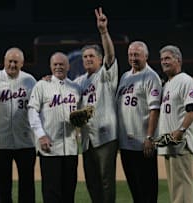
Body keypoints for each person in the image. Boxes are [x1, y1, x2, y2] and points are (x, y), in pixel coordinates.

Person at [74, 7, 118, 203]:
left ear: (100, 59)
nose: (88, 59)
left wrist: (103, 32)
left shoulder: (106, 75)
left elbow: (110, 55)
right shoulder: (79, 81)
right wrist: (51, 79)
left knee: (106, 180)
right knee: (92, 180)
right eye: (85, 57)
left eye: (92, 56)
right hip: (86, 139)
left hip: (106, 137)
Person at [28, 52, 82, 203]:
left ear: (68, 66)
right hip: (49, 148)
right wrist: (41, 135)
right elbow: (32, 111)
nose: (58, 67)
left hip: (71, 149)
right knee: (51, 193)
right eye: (55, 64)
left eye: (61, 64)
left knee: (69, 192)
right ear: (50, 66)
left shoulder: (75, 87)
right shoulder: (41, 86)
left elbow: (81, 115)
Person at [0, 47, 37, 203]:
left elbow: (39, 105)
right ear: (4, 61)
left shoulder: (30, 80)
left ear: (22, 63)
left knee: (27, 184)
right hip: (0, 143)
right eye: (10, 61)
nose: (12, 65)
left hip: (26, 141)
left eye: (16, 62)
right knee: (1, 186)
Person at [116, 41, 162, 203]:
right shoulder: (125, 77)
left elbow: (154, 109)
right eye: (130, 55)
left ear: (146, 56)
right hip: (126, 144)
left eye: (137, 55)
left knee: (147, 190)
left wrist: (150, 137)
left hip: (143, 144)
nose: (133, 58)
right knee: (135, 189)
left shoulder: (151, 77)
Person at [158, 45, 193, 203]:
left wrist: (181, 130)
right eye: (162, 59)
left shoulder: (185, 81)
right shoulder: (167, 83)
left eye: (168, 58)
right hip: (169, 142)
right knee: (175, 188)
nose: (164, 62)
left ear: (178, 60)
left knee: (182, 187)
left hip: (181, 143)